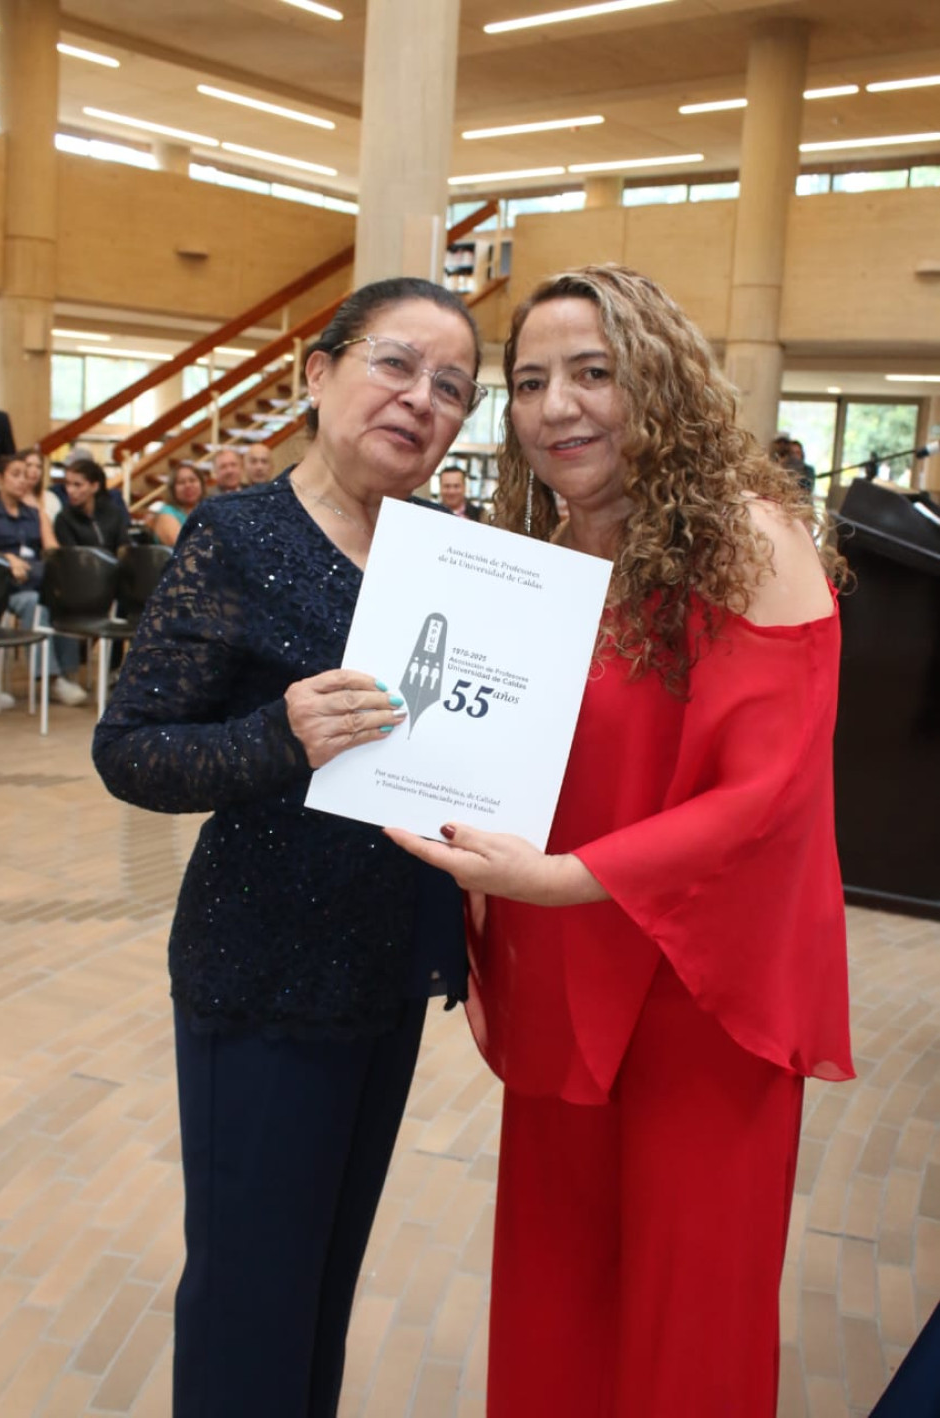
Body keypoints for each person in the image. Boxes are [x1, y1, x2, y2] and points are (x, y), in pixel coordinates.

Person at [385, 264, 854, 1418]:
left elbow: (765, 792)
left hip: (701, 989)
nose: (558, 407)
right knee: (559, 1289)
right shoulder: (535, 560)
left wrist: (561, 876)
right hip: (564, 971)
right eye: (530, 381)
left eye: (593, 372)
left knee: (688, 1308)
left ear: (660, 382)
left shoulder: (748, 539)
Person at [92, 275, 487, 1418]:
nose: (420, 399)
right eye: (395, 363)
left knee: (321, 1285)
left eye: (452, 387)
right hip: (262, 966)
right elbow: (132, 749)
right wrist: (278, 735)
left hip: (387, 965)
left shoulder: (447, 554)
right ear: (319, 374)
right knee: (250, 1298)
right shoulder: (239, 534)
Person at [0, 453, 87, 707]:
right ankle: (51, 679)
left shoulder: (34, 513)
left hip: (33, 580)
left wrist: (41, 514)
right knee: (34, 603)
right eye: (15, 474)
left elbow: (52, 550)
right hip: (2, 586)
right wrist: (7, 559)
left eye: (25, 476)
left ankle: (66, 674)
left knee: (59, 601)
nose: (22, 480)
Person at [55, 458, 131, 550]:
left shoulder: (112, 513)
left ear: (95, 486)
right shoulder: (64, 519)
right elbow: (72, 554)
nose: (70, 490)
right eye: (67, 484)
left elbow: (124, 548)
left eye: (77, 485)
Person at [152, 462, 207, 548]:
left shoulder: (209, 509)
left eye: (192, 480)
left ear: (202, 484)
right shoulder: (166, 513)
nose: (188, 485)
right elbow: (184, 546)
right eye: (181, 482)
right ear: (173, 489)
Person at [20, 447, 62, 525]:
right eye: (29, 465)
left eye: (38, 467)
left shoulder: (51, 498)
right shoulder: (12, 499)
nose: (34, 470)